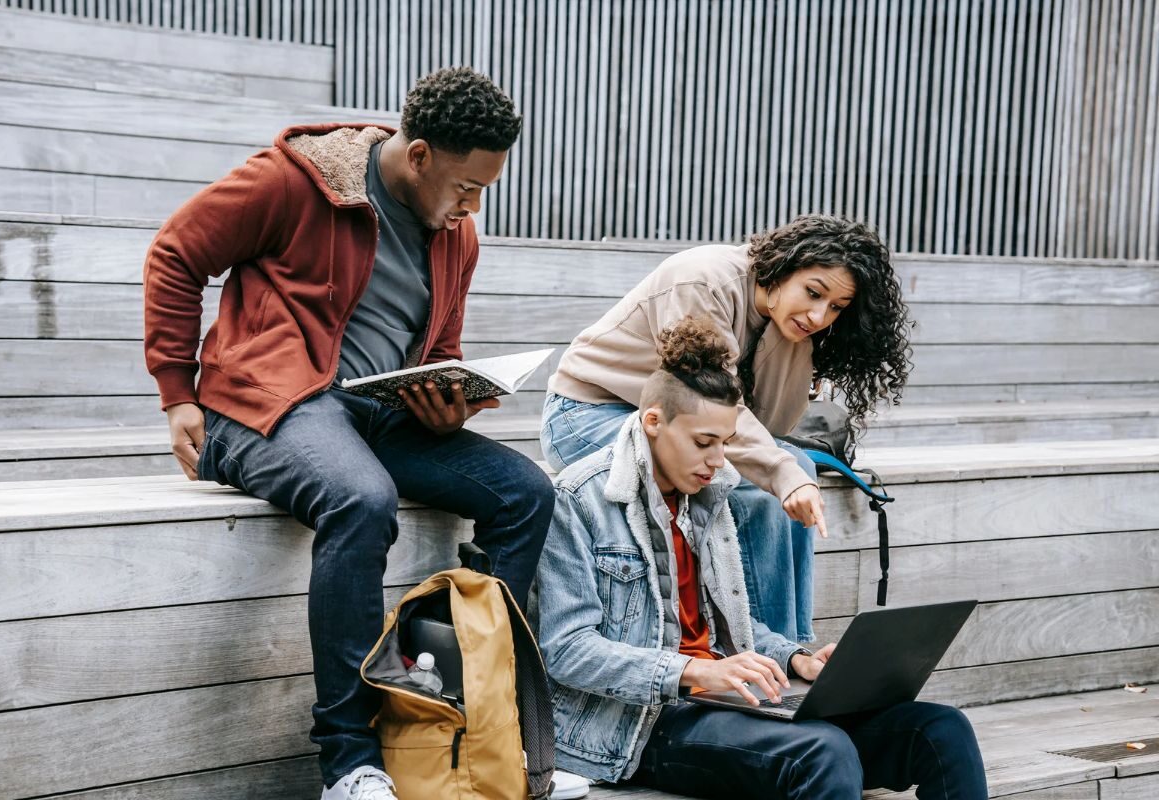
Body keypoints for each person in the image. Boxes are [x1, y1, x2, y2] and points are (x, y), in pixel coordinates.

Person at [143, 67, 555, 800]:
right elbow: (175, 253)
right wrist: (178, 392)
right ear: (419, 155)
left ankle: (470, 719)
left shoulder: (456, 234)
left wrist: (444, 404)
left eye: (487, 188)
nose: (473, 205)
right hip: (264, 406)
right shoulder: (295, 180)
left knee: (524, 491)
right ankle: (350, 761)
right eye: (466, 186)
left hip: (375, 416)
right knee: (362, 499)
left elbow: (437, 350)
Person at [535, 316, 986, 799]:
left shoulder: (707, 496)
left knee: (942, 729)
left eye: (725, 443)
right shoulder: (578, 499)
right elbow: (566, 650)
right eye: (703, 443)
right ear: (653, 422)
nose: (717, 460)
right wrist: (693, 671)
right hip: (637, 725)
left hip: (725, 703)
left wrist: (797, 659)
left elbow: (731, 626)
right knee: (823, 751)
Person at [542, 214, 913, 643]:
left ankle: (788, 648)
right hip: (589, 411)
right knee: (751, 482)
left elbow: (771, 425)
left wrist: (792, 344)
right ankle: (754, 649)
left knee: (797, 468)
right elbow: (714, 410)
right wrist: (776, 473)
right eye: (813, 293)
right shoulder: (701, 282)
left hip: (682, 425)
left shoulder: (790, 324)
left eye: (835, 308)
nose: (818, 315)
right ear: (784, 265)